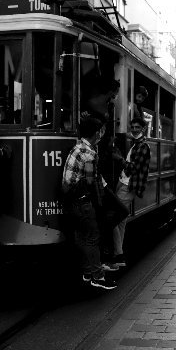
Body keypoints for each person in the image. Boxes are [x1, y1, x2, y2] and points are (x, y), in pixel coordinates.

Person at [62, 116, 117, 290]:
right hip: (82, 200)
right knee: (93, 237)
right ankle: (98, 277)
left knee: (81, 237)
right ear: (95, 133)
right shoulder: (88, 153)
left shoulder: (78, 147)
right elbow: (89, 181)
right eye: (100, 131)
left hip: (71, 200)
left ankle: (87, 273)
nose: (102, 133)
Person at [112, 117, 151, 267]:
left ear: (143, 128)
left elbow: (134, 168)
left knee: (115, 218)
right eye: (132, 126)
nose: (134, 129)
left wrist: (119, 158)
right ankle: (118, 253)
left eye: (137, 127)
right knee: (121, 221)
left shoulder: (143, 147)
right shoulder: (136, 144)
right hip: (123, 182)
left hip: (128, 186)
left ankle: (119, 255)